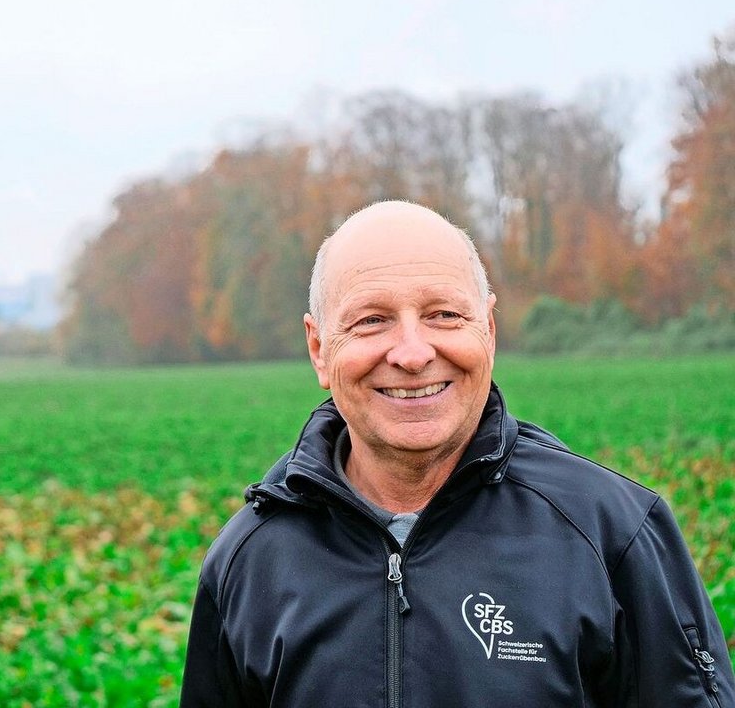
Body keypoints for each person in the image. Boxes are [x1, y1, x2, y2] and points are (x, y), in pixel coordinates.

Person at [180, 200, 734, 706]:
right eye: (371, 320)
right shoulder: (249, 560)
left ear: (488, 330)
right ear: (320, 349)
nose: (413, 352)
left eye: (444, 314)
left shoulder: (614, 532)